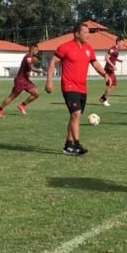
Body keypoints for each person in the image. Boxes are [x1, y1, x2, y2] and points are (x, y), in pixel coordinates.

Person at [45, 22, 110, 155]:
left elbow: (95, 63)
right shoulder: (65, 47)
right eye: (85, 32)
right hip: (69, 86)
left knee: (75, 116)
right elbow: (52, 62)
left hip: (82, 87)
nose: (88, 35)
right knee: (76, 114)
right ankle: (77, 144)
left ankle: (67, 146)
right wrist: (49, 82)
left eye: (89, 32)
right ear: (76, 33)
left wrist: (105, 74)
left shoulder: (89, 48)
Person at [0, 44, 41, 117]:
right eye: (37, 49)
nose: (37, 51)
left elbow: (32, 64)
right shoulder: (28, 57)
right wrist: (42, 71)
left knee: (36, 93)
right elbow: (32, 68)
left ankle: (22, 105)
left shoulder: (31, 57)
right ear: (32, 48)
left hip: (26, 80)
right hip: (20, 80)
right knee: (12, 96)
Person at [98, 37, 123, 107]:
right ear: (118, 42)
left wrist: (118, 60)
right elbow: (106, 58)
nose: (122, 45)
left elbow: (113, 57)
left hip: (111, 69)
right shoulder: (113, 49)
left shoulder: (117, 50)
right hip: (108, 69)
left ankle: (103, 98)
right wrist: (113, 65)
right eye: (122, 43)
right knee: (110, 84)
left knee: (114, 85)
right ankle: (104, 100)